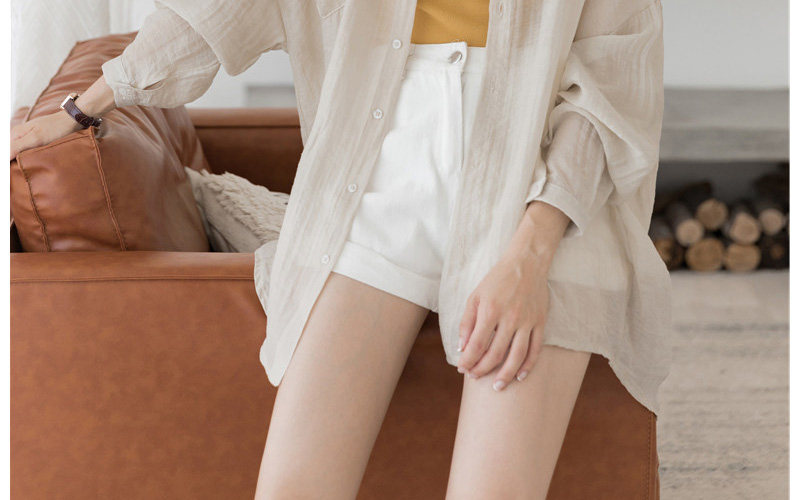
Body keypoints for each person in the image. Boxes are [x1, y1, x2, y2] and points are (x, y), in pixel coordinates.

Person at [10, 0, 670, 498]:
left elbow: (607, 96)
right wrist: (82, 108)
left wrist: (529, 257)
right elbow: (217, 15)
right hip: (374, 188)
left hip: (541, 204)